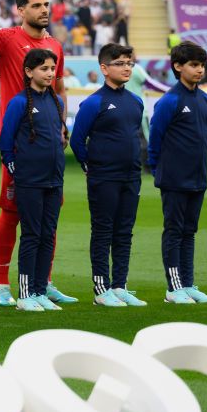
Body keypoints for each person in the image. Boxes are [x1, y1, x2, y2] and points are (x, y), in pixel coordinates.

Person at [0, 0, 75, 306]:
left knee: (49, 214)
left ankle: (44, 281)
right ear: (20, 10)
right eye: (37, 5)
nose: (44, 9)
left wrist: (62, 124)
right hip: (22, 143)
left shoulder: (54, 44)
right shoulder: (5, 38)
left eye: (46, 3)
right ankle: (1, 284)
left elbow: (60, 86)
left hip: (49, 141)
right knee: (12, 212)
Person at [69, 44, 146, 307]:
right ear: (104, 68)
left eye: (129, 63)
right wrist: (90, 165)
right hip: (104, 177)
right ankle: (101, 289)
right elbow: (77, 141)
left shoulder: (135, 102)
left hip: (131, 177)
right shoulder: (94, 103)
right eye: (120, 63)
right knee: (103, 231)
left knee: (124, 232)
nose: (126, 68)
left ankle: (120, 285)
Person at [0, 49, 66, 313]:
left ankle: (39, 290)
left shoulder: (56, 102)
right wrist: (19, 172)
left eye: (52, 69)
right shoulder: (19, 103)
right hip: (29, 181)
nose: (49, 73)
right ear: (28, 72)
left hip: (53, 181)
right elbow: (5, 145)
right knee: (31, 235)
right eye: (44, 69)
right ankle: (26, 294)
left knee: (48, 235)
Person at [148, 42, 207, 304]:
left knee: (189, 232)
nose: (200, 70)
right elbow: (155, 140)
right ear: (178, 67)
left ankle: (188, 284)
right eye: (194, 65)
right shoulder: (169, 101)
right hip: (174, 180)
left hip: (198, 178)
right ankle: (173, 289)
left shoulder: (206, 100)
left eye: (202, 65)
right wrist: (158, 170)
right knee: (174, 231)